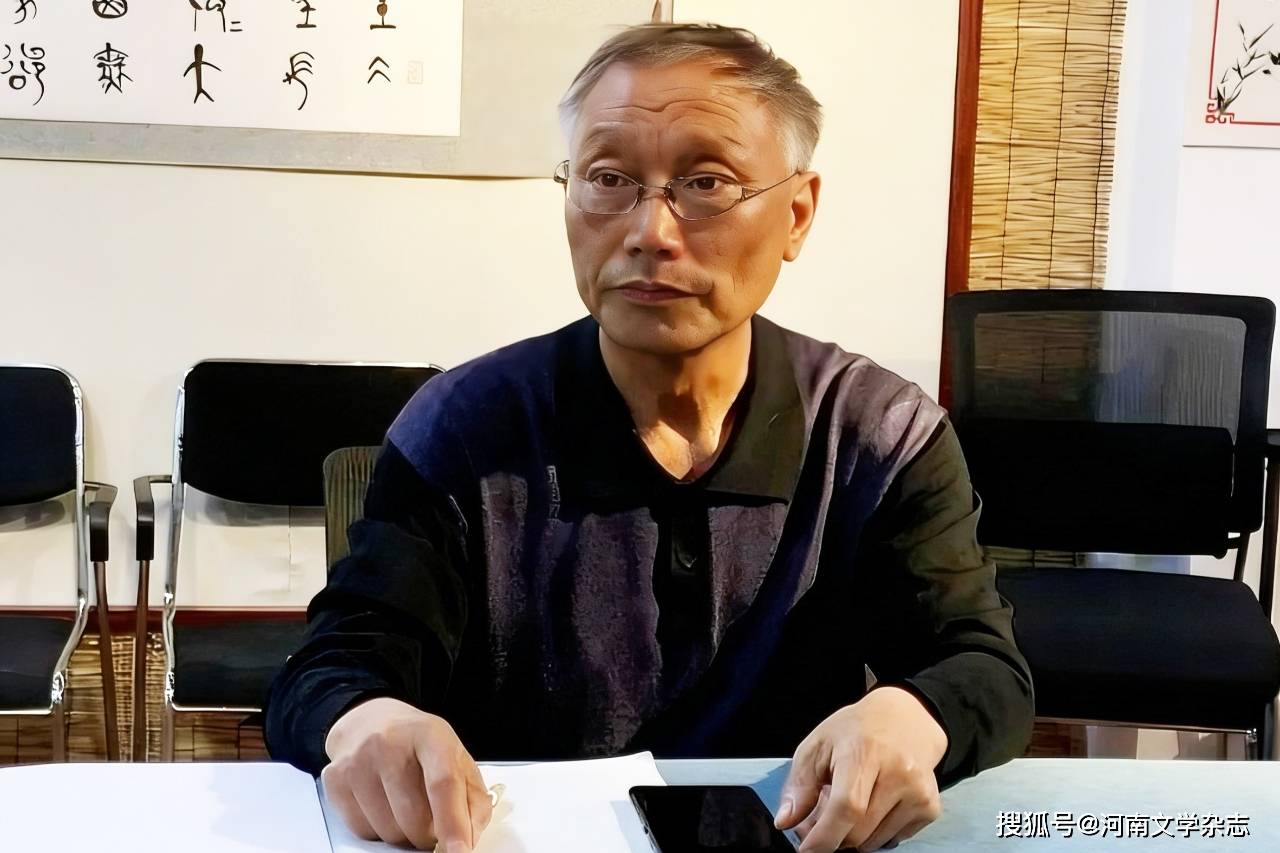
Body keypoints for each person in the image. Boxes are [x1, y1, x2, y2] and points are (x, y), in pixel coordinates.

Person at [265, 23, 1033, 853]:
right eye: (609, 179)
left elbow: (981, 664)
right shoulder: (464, 429)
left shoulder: (877, 434)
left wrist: (909, 714)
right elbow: (334, 665)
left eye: (706, 182)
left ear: (797, 213)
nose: (650, 232)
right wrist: (368, 718)